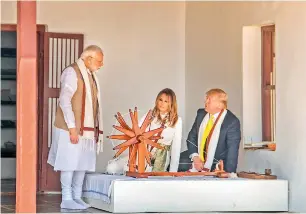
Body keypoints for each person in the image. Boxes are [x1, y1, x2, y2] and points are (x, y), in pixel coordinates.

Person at [47, 45, 104, 210]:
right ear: (89, 59)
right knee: (69, 162)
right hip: (69, 128)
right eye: (99, 61)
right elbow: (64, 100)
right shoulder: (72, 72)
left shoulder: (91, 75)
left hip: (86, 130)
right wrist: (72, 127)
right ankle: (66, 198)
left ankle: (77, 197)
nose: (101, 64)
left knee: (82, 163)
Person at [106, 88, 182, 174]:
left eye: (166, 101)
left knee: (153, 177)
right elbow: (136, 132)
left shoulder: (177, 120)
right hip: (143, 151)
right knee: (112, 168)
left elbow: (176, 147)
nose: (162, 103)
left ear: (171, 103)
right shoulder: (149, 115)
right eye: (160, 100)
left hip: (161, 157)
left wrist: (173, 172)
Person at [178, 88, 241, 173]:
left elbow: (232, 151)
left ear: (219, 105)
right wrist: (195, 157)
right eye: (206, 98)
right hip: (196, 159)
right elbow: (191, 137)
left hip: (215, 164)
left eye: (209, 99)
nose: (205, 102)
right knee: (172, 163)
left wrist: (228, 174)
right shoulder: (201, 114)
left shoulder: (232, 122)